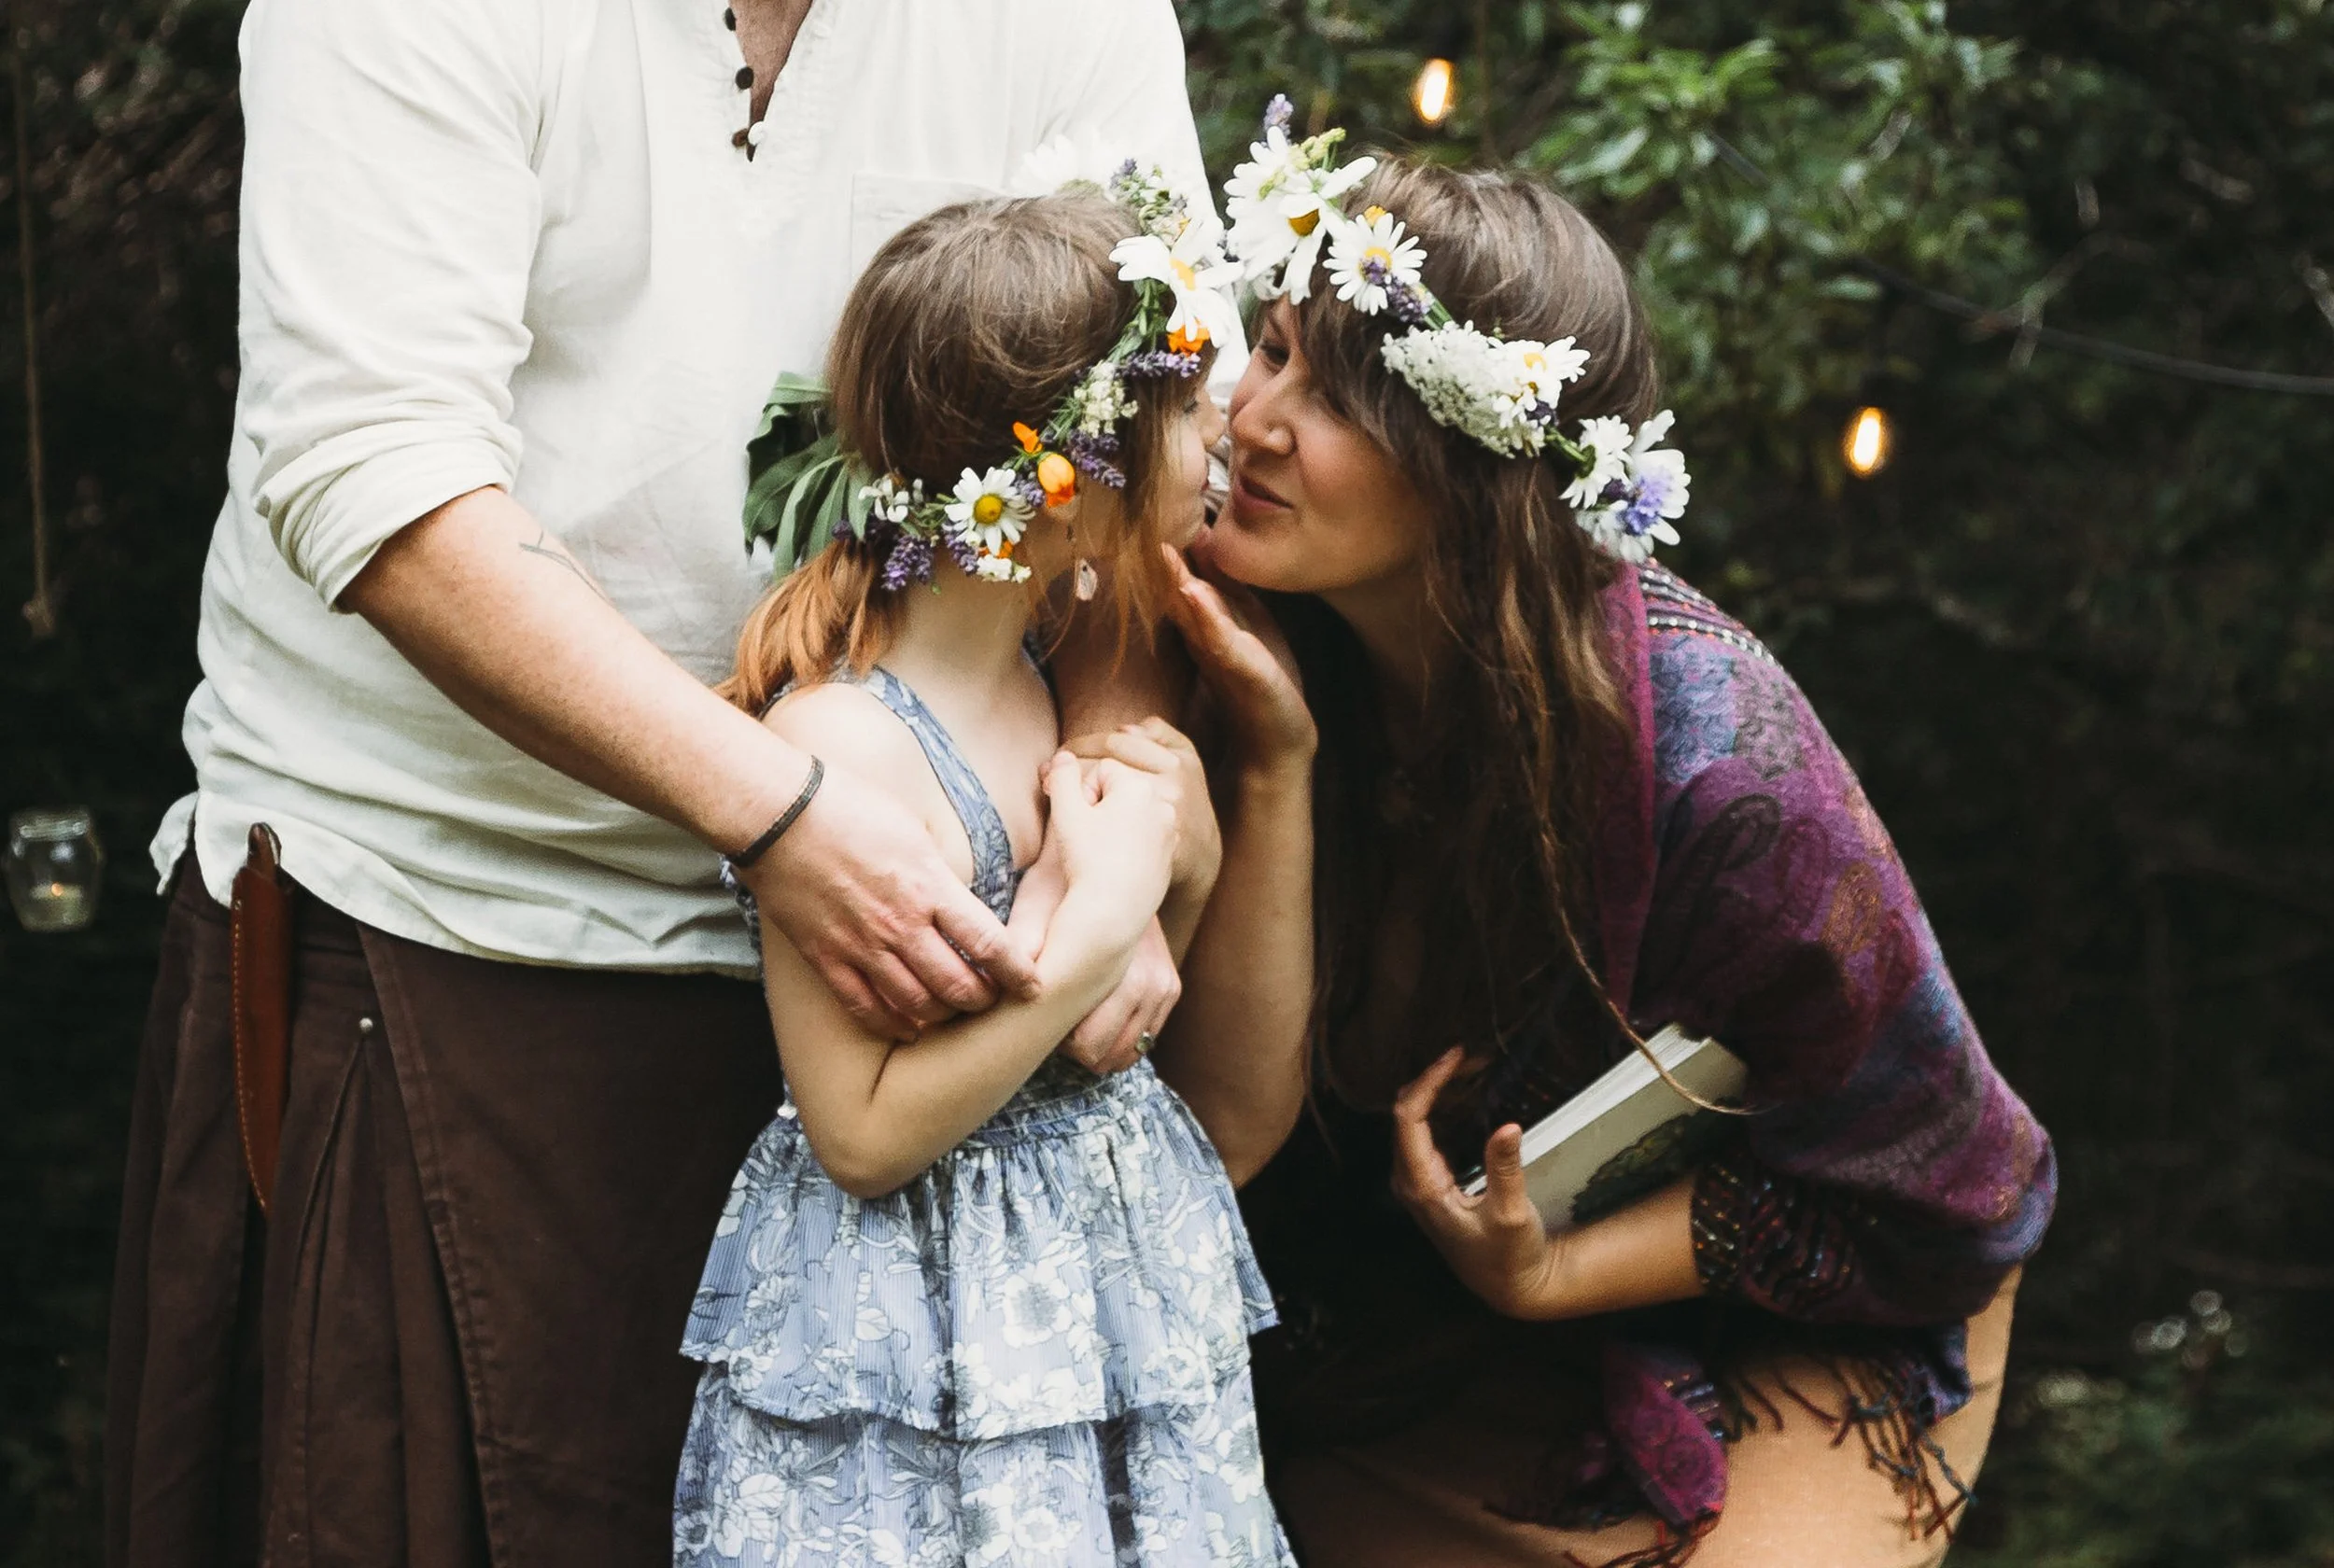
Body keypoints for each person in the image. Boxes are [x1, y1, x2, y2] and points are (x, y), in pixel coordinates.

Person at [105, 2, 1229, 1564]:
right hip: (449, 923)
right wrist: (773, 814)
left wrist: (1110, 815)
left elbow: (1154, 427)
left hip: (945, 970)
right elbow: (374, 463)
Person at [1163, 121, 2058, 1567]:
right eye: (1268, 349)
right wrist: (1274, 760)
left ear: (1471, 465)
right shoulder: (1228, 642)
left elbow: (1951, 1201)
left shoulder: (1727, 781)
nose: (1255, 420)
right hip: (1403, 1314)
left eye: (1339, 399)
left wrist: (1548, 1270)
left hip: (1810, 1296)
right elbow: (1223, 1132)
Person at [669, 180, 1296, 1566]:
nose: (1224, 434)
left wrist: (1172, 880)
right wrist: (1102, 922)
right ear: (1065, 486)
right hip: (929, 1356)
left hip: (1106, 1311)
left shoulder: (1036, 692)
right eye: (1184, 414)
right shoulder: (842, 751)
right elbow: (862, 1133)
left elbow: (1119, 1045)